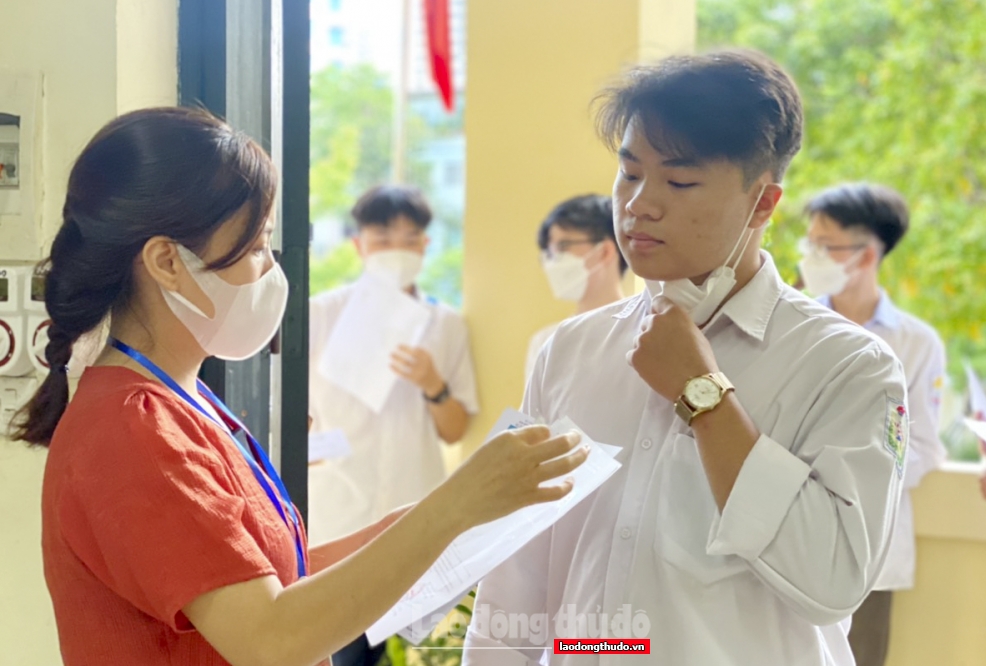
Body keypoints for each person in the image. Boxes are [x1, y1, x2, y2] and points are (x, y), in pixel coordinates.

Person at [13, 107, 589, 666]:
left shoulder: (188, 400)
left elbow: (269, 578)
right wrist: (451, 509)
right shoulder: (131, 429)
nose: (271, 272)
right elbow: (270, 640)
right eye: (256, 248)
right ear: (167, 262)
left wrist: (438, 521)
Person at [464, 49, 907, 666]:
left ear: (763, 203)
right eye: (629, 173)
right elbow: (515, 576)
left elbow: (833, 580)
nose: (639, 204)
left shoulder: (847, 364)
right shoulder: (568, 350)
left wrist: (703, 393)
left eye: (680, 182)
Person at [308, 184, 479, 665]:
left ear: (425, 246)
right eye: (383, 239)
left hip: (414, 518)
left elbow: (454, 430)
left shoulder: (445, 324)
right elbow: (289, 413)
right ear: (358, 244)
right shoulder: (320, 314)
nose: (396, 251)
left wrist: (433, 384)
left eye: (409, 240)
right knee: (339, 652)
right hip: (337, 519)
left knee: (417, 654)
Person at [798, 182, 947, 666]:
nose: (811, 256)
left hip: (870, 551)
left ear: (866, 255)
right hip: (791, 531)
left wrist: (846, 472)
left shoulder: (916, 343)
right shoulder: (794, 326)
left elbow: (922, 447)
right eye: (810, 243)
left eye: (826, 246)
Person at [526, 194, 627, 381]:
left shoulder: (643, 334)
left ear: (605, 251)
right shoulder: (546, 341)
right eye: (549, 252)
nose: (553, 261)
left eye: (563, 246)